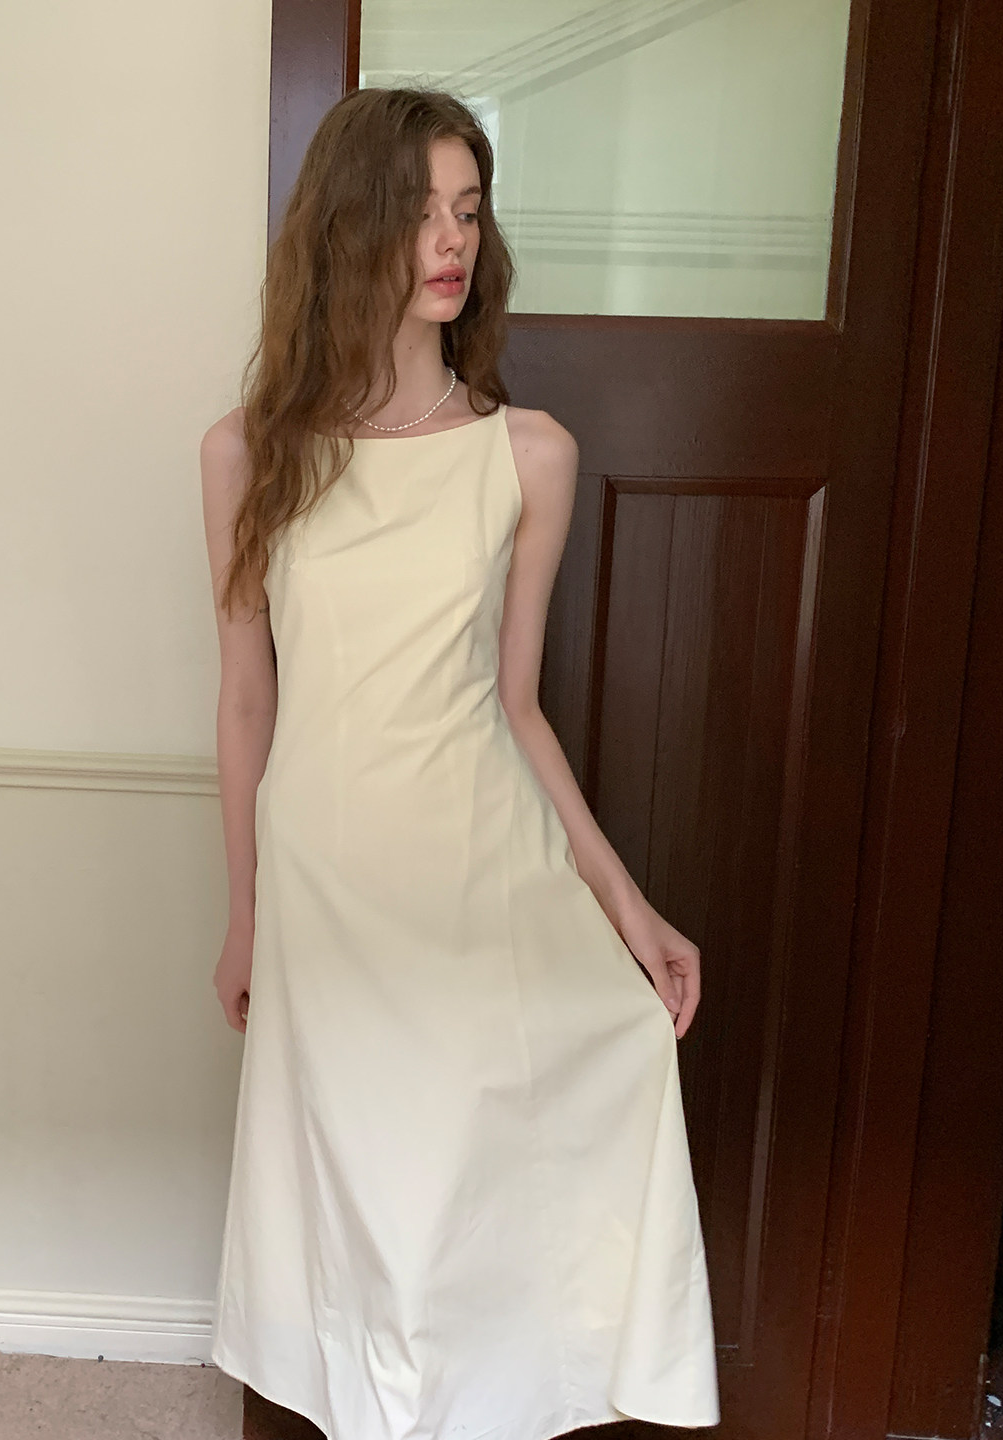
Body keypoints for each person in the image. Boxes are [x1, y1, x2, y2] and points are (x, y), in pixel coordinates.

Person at [198, 86, 720, 1439]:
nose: (450, 242)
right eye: (418, 211)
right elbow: (246, 701)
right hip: (329, 883)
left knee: (470, 1196)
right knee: (369, 1211)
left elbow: (518, 708)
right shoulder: (250, 456)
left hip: (482, 871)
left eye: (469, 212)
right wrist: (245, 912)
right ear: (346, 228)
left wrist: (630, 909)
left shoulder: (527, 455)